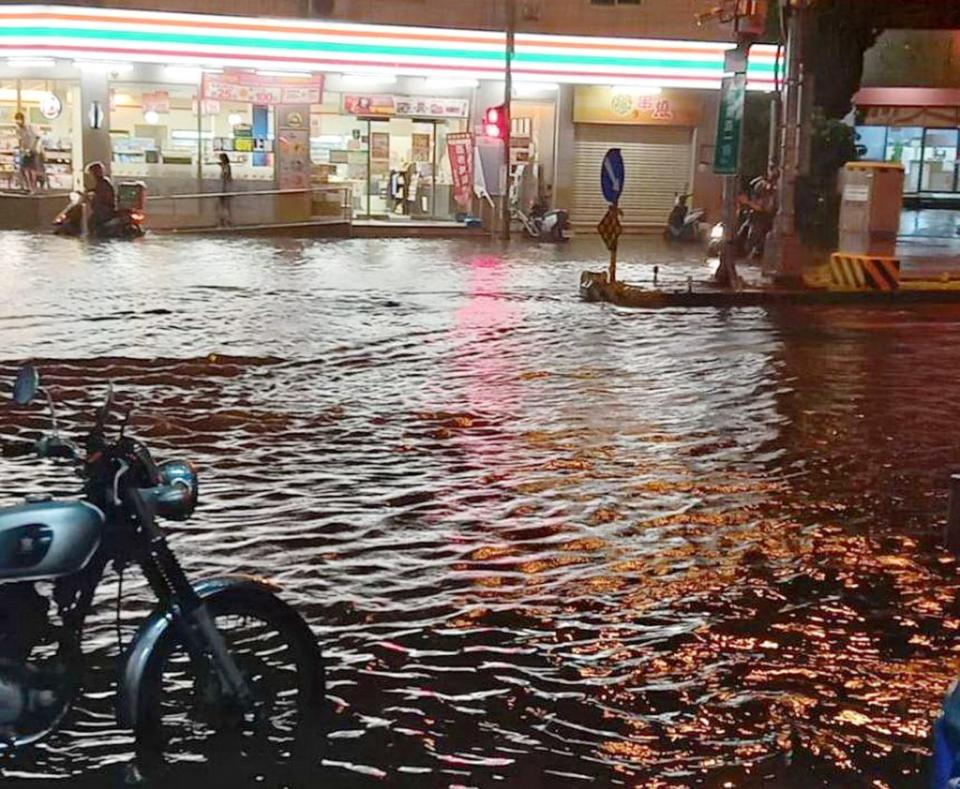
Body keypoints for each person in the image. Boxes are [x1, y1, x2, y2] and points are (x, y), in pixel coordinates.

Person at [85, 161, 116, 237]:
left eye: (91, 173)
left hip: (104, 210)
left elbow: (101, 195)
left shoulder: (103, 183)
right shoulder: (102, 182)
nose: (90, 175)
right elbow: (95, 191)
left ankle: (95, 237)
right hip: (103, 209)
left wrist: (90, 196)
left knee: (92, 222)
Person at [14, 111, 38, 193]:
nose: (18, 122)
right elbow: (20, 140)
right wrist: (22, 149)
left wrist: (31, 148)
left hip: (32, 150)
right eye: (16, 120)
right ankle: (29, 187)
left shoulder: (29, 127)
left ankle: (33, 188)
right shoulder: (18, 129)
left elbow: (36, 138)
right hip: (24, 151)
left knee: (32, 170)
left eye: (19, 119)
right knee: (25, 169)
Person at [217, 153, 233, 227]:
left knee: (225, 206)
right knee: (223, 205)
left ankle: (226, 220)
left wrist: (222, 167)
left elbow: (225, 176)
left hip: (225, 189)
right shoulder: (226, 167)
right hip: (224, 188)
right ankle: (224, 219)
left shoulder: (226, 167)